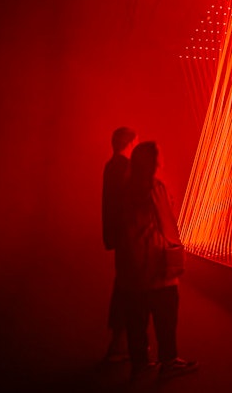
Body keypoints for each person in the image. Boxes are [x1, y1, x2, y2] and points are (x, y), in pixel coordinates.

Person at [116, 141, 198, 381]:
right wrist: (177, 251)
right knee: (165, 317)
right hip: (157, 266)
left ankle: (140, 363)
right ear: (153, 161)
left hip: (132, 269)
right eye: (159, 155)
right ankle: (169, 361)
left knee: (137, 320)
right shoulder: (155, 187)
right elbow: (168, 224)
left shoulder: (126, 188)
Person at [102, 126, 137, 362]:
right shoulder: (125, 167)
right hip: (129, 236)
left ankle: (119, 341)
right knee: (128, 287)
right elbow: (131, 202)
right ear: (130, 144)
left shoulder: (110, 165)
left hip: (119, 234)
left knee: (123, 283)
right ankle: (121, 343)